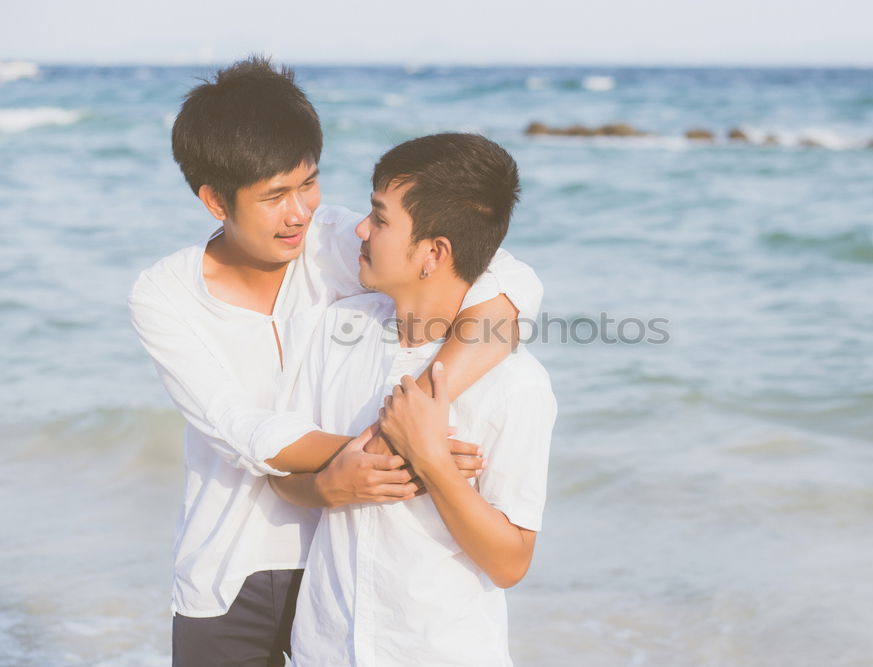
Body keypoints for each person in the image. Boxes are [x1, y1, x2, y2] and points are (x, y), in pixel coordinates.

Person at [127, 57, 541, 666]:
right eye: (274, 196)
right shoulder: (163, 295)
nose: (301, 212)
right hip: (231, 569)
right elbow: (237, 424)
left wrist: (425, 406)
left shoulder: (328, 244)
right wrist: (386, 448)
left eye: (308, 183)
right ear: (215, 200)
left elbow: (504, 280)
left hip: (343, 571)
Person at [275, 133, 556, 666]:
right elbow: (279, 470)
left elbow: (511, 563)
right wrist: (328, 486)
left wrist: (432, 462)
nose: (360, 229)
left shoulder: (516, 383)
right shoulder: (337, 331)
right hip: (325, 648)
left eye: (380, 219)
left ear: (434, 253)